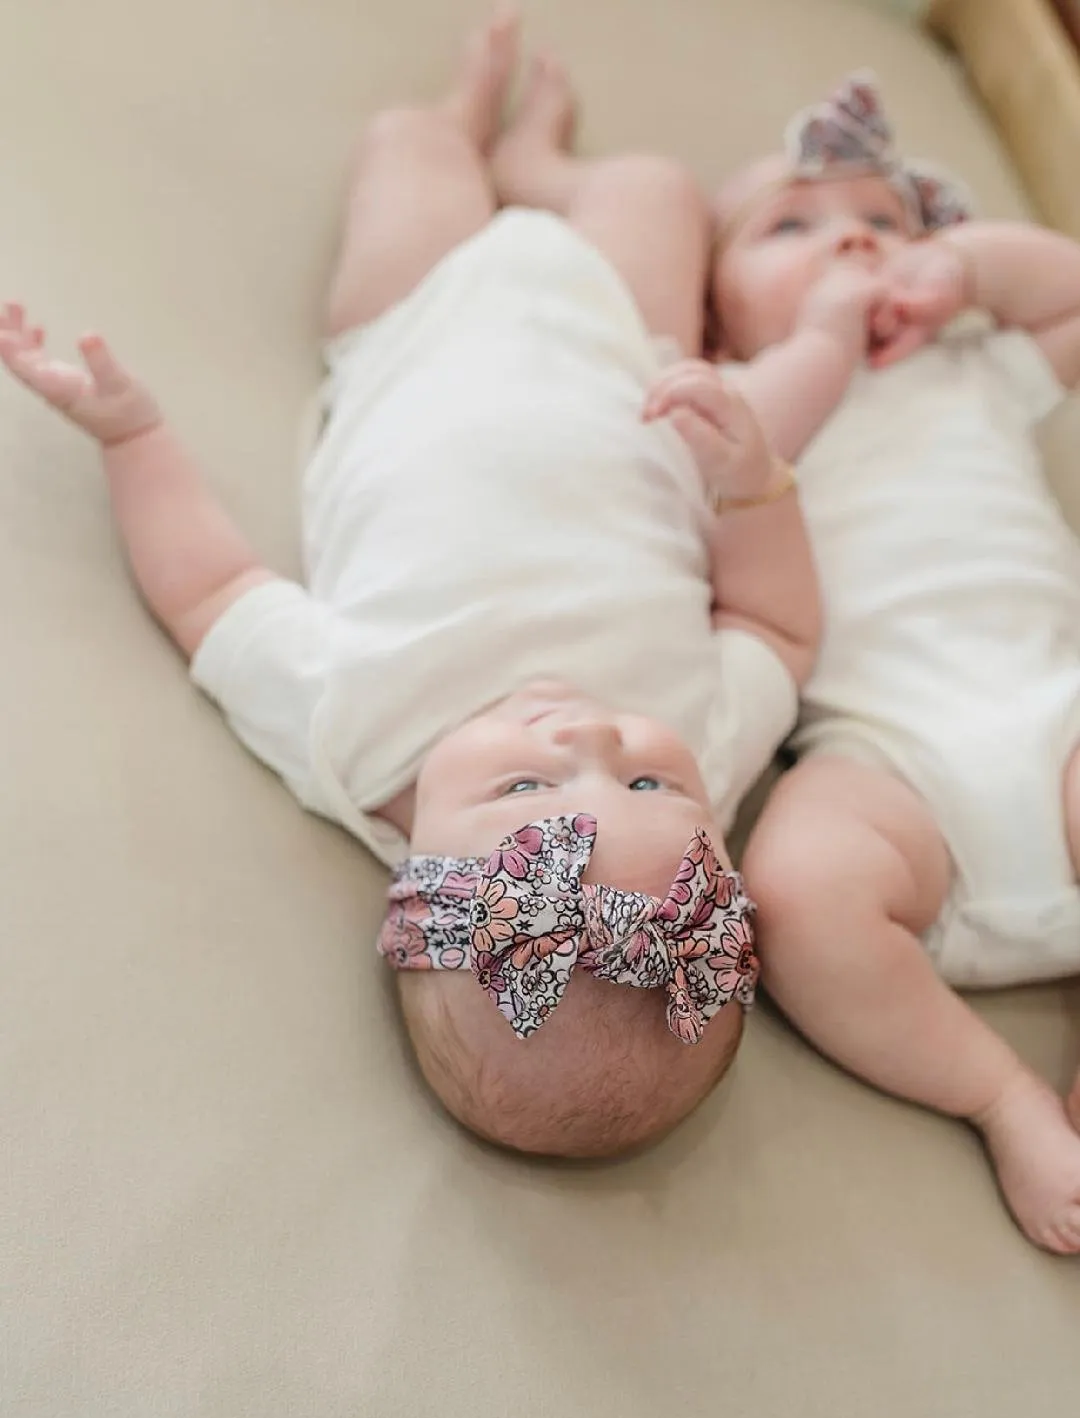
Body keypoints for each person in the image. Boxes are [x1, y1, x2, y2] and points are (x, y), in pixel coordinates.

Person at [0, 13, 818, 1160]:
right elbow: (776, 624)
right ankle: (545, 163)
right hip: (625, 346)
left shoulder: (350, 731)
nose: (586, 729)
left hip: (413, 324)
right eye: (649, 777)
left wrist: (130, 437)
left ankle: (461, 121)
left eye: (528, 778)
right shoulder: (721, 740)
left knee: (405, 151)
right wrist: (752, 489)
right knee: (654, 188)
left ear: (421, 873)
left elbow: (210, 588)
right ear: (722, 855)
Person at [660, 70, 1080, 1251]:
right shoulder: (744, 400)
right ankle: (1000, 1095)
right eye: (789, 227)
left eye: (886, 222)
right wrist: (825, 336)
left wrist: (973, 276)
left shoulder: (977, 366)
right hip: (887, 756)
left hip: (1059, 699)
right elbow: (725, 475)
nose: (851, 236)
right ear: (711, 319)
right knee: (794, 896)